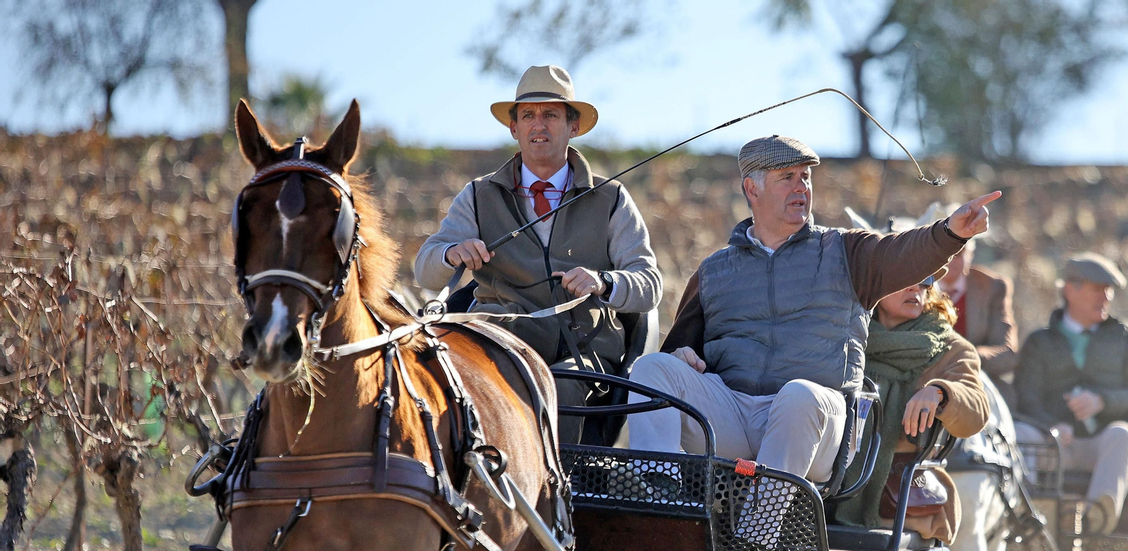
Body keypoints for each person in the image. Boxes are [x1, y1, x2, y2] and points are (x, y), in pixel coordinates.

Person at [624, 135, 999, 485]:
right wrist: (681, 355)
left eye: (805, 177)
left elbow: (905, 253)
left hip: (818, 424)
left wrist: (951, 233)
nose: (801, 187)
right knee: (651, 368)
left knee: (798, 395)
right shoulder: (714, 271)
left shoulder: (846, 251)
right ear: (752, 189)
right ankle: (659, 496)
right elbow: (679, 353)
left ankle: (758, 530)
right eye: (786, 177)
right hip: (732, 415)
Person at [413, 64, 663, 441]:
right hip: (502, 336)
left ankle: (554, 481)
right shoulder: (479, 196)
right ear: (514, 128)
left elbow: (649, 284)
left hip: (583, 350)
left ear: (573, 126)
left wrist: (603, 282)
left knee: (558, 390)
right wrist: (451, 253)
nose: (538, 125)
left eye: (551, 115)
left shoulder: (611, 199)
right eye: (528, 115)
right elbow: (425, 270)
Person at [832, 275, 990, 541]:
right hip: (827, 487)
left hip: (899, 503)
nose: (915, 286)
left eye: (925, 279)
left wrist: (940, 392)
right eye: (904, 275)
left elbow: (977, 409)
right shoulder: (844, 335)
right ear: (874, 283)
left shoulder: (951, 347)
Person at [1013, 253, 1128, 532]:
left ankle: (1097, 521)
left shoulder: (1123, 337)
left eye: (1109, 291)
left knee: (1122, 434)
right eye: (1097, 289)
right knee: (1021, 433)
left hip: (1101, 446)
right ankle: (1027, 516)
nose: (1106, 298)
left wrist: (1103, 401)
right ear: (1070, 290)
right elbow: (1025, 398)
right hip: (1053, 445)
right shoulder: (1039, 342)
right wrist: (1050, 427)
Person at [933, 208, 1017, 378]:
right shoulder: (917, 287)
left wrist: (966, 357)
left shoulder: (992, 288)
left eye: (958, 254)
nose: (949, 260)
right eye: (944, 252)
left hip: (976, 378)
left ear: (970, 255)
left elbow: (1007, 353)